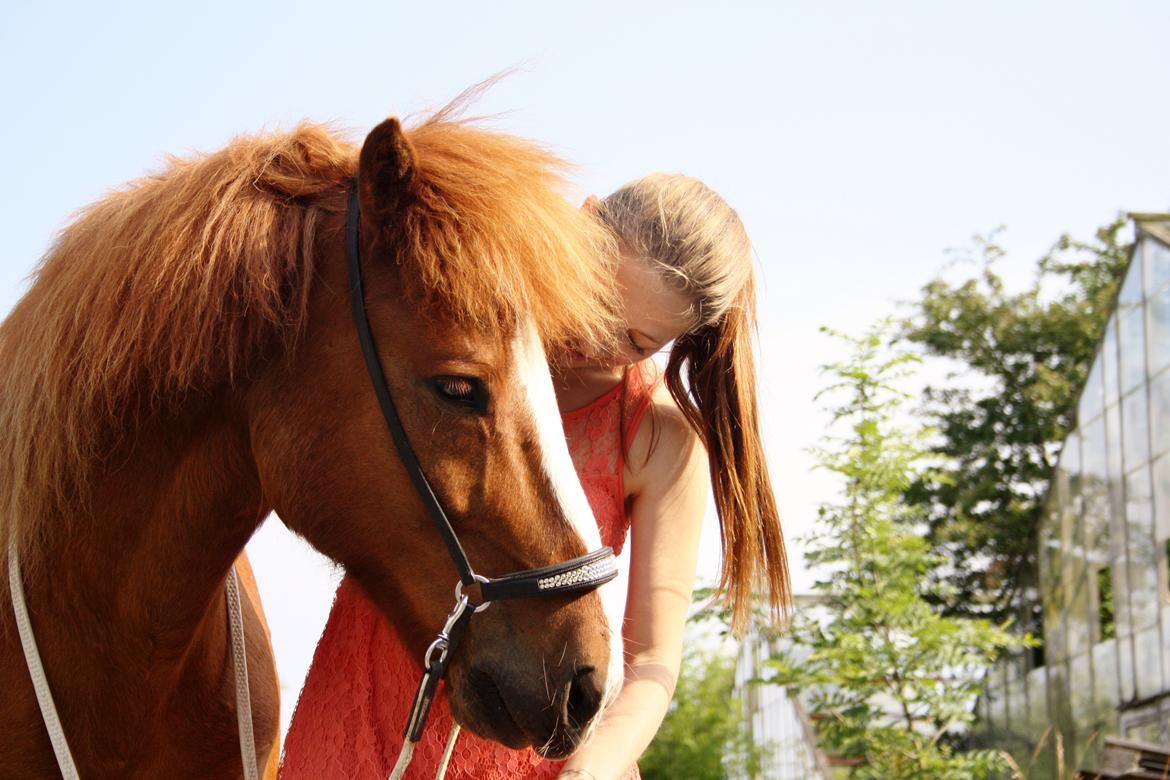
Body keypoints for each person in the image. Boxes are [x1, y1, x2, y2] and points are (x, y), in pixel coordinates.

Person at [279, 173, 790, 780]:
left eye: (634, 340)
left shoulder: (659, 437)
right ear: (582, 219)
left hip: (531, 751)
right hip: (356, 714)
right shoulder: (453, 335)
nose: (593, 335)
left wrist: (589, 771)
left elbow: (653, 660)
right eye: (595, 294)